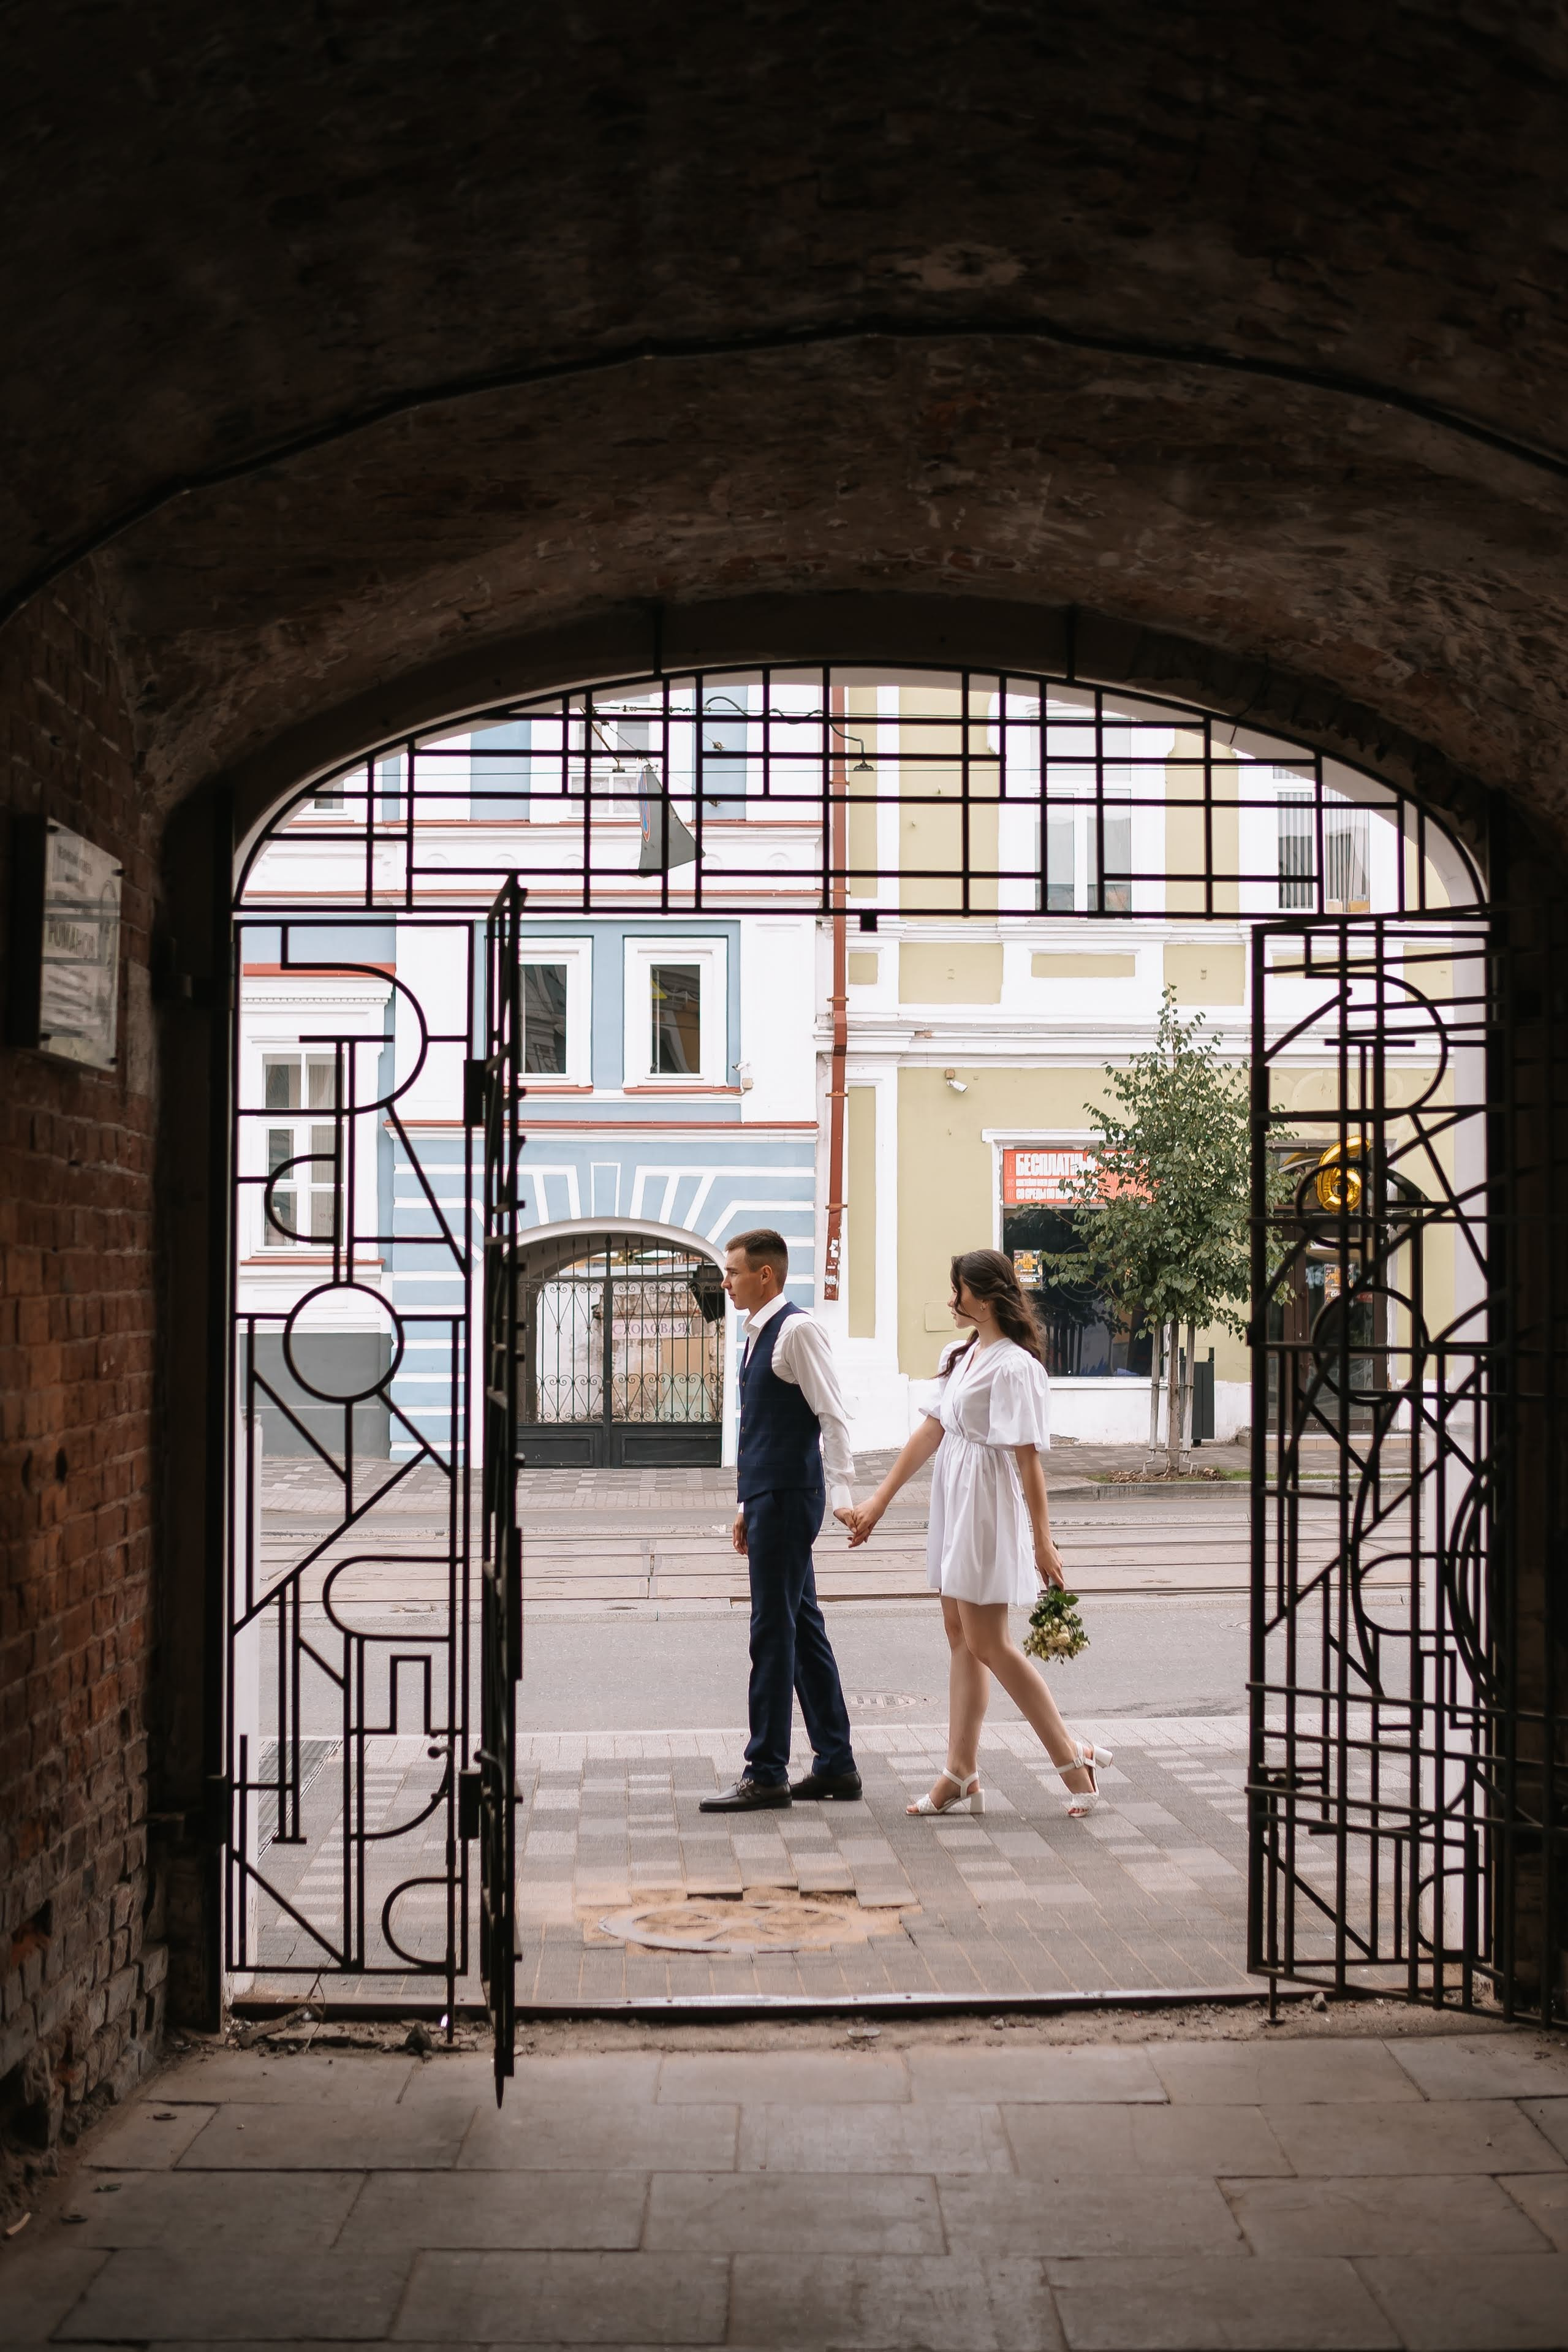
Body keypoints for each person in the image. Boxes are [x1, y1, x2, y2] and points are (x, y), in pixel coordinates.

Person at [841, 1248, 1110, 1818]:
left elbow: (1028, 1459)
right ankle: (959, 1772)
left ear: (984, 1299)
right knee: (959, 1635)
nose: (951, 1299)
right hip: (954, 1491)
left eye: (958, 1290)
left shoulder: (1015, 1367)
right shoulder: (960, 1354)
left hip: (987, 1499)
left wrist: (1043, 1539)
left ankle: (1072, 1760)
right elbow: (931, 1432)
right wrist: (879, 1501)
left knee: (990, 1642)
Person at [699, 1227, 862, 1811]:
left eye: (733, 1272)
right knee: (802, 1626)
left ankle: (766, 1771)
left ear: (764, 1274)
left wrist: (843, 1494)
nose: (725, 1282)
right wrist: (745, 1505)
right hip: (770, 1497)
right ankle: (836, 1765)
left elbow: (833, 1415)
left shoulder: (798, 1330)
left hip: (792, 1497)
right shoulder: (754, 1336)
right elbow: (757, 1430)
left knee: (772, 1631)